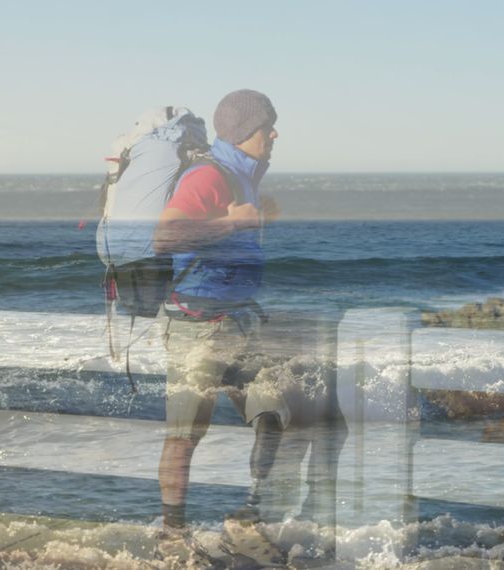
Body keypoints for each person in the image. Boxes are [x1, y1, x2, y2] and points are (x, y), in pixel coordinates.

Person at [152, 89, 287, 567]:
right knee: (186, 436)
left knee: (274, 417)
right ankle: (172, 537)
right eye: (265, 126)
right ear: (240, 131)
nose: (274, 134)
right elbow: (165, 235)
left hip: (242, 324)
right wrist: (230, 224)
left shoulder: (248, 175)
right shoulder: (209, 175)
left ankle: (244, 524)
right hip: (197, 328)